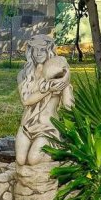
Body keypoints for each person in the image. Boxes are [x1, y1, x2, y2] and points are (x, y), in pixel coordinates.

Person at [16, 35, 74, 166]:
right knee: (20, 160)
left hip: (47, 127)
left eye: (42, 49)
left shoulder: (59, 73)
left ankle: (60, 151)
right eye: (34, 49)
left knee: (33, 160)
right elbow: (26, 100)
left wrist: (66, 82)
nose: (38, 53)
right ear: (30, 52)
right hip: (27, 126)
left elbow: (69, 107)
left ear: (49, 50)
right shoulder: (24, 74)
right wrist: (49, 88)